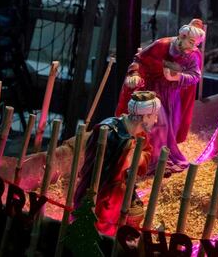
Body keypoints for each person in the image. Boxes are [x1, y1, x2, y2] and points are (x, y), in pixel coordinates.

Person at [115, 19, 205, 173]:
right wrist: (134, 74)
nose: (190, 46)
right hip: (154, 91)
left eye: (193, 43)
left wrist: (177, 77)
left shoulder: (192, 54)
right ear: (181, 36)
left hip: (173, 95)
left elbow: (195, 76)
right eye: (188, 40)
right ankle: (151, 161)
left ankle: (161, 158)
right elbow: (140, 60)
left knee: (171, 127)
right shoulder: (161, 45)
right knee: (156, 124)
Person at [74, 91, 159, 236]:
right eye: (154, 116)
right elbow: (96, 169)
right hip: (102, 197)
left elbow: (145, 155)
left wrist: (137, 159)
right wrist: (127, 159)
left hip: (120, 195)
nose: (156, 120)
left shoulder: (139, 135)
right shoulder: (109, 132)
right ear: (144, 117)